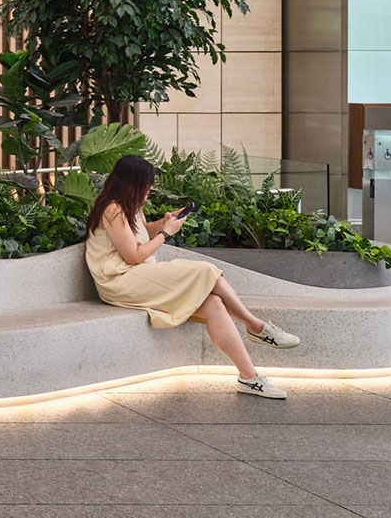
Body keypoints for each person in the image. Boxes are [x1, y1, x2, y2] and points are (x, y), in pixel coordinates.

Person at [85, 154, 300, 399]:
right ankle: (255, 326)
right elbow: (133, 256)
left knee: (214, 304)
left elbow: (142, 233)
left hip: (139, 274)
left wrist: (164, 222)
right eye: (146, 183)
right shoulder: (112, 209)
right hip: (120, 280)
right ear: (131, 183)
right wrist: (166, 233)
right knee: (207, 271)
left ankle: (249, 378)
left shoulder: (131, 206)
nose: (150, 188)